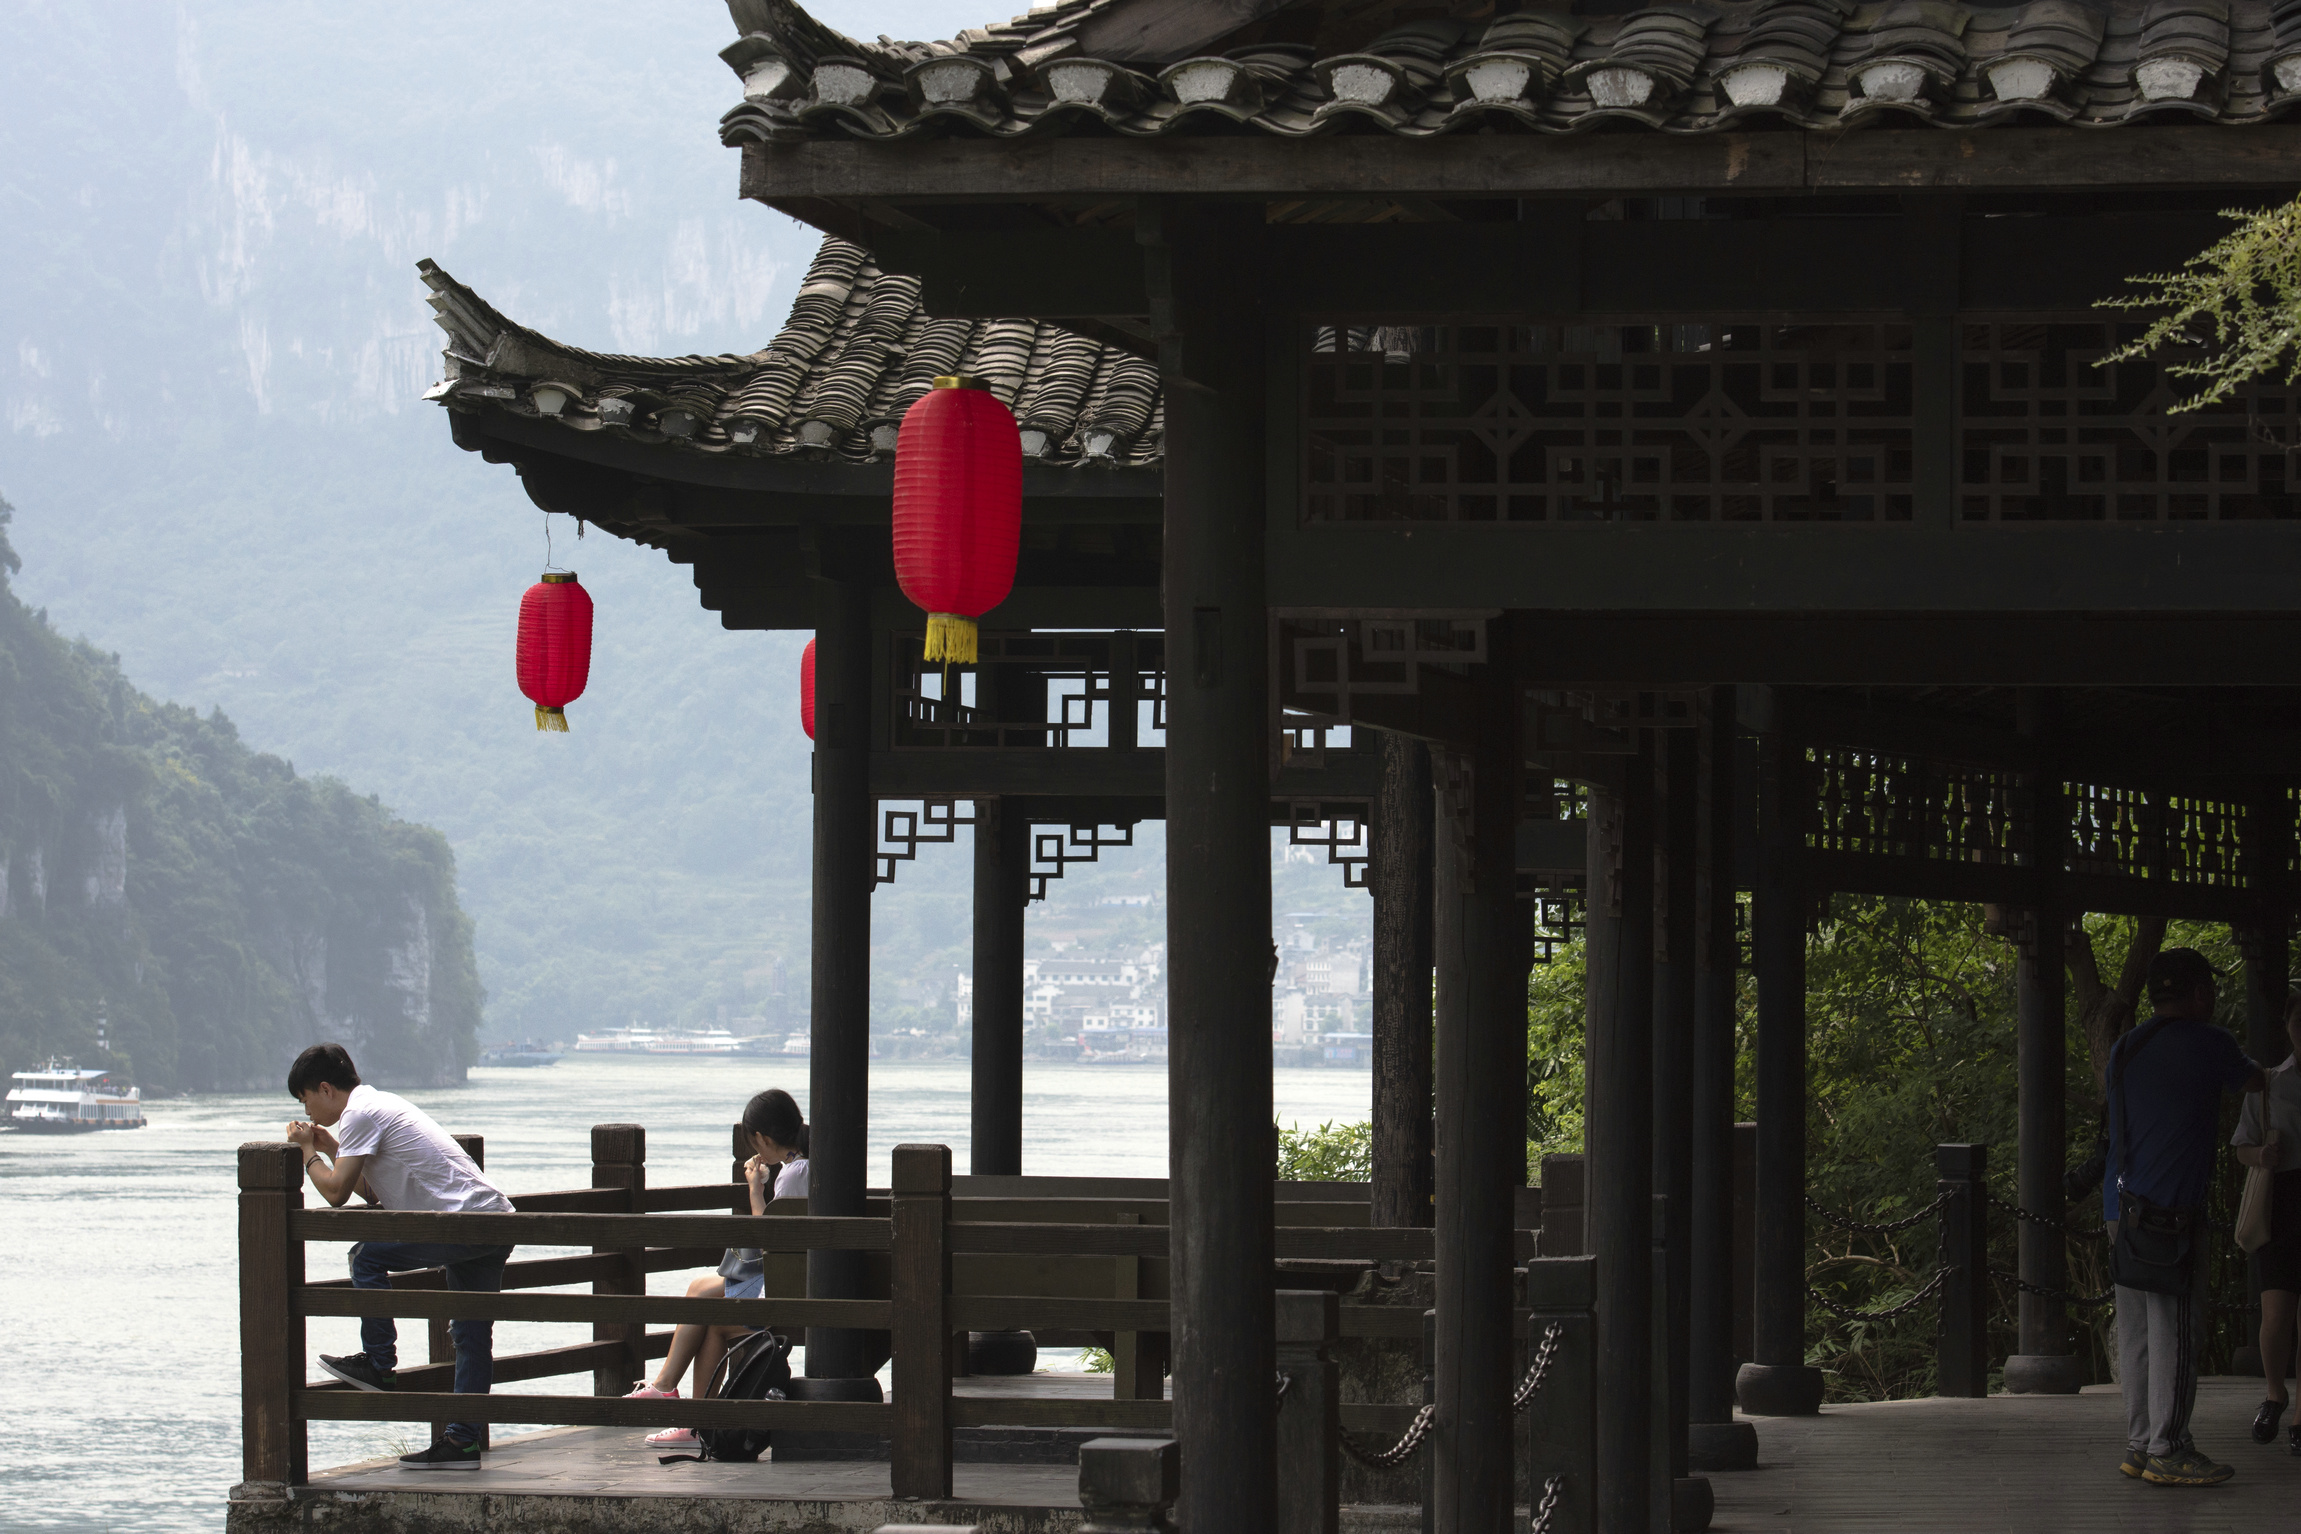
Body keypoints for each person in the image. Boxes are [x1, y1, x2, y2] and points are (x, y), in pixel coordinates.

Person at [284, 1043, 515, 1472]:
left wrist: (307, 1153)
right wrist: (333, 1148)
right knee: (470, 1333)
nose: (308, 1111)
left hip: (464, 1222)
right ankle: (462, 1444)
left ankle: (379, 1364)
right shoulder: (376, 1103)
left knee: (365, 1258)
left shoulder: (358, 1113)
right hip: (493, 1220)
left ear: (324, 1088)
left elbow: (334, 1195)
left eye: (306, 1100)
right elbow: (373, 1192)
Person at [2103, 948, 2268, 1487]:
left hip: (2120, 1209)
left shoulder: (2126, 1046)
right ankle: (2170, 1448)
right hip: (2168, 1217)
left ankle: (2140, 1443)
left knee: (2138, 1335)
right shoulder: (2211, 1042)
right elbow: (2257, 1082)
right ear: (2199, 994)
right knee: (2177, 1332)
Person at [624, 1088, 809, 1447]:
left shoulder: (792, 1174)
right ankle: (695, 1423)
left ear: (760, 1138)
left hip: (791, 1288)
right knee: (708, 1312)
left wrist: (755, 1191)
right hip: (798, 1278)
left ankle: (668, 1391)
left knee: (699, 1293)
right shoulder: (804, 1168)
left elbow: (772, 1241)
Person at [2233, 990, 2301, 1453]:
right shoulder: (2271, 1082)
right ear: (2288, 1025)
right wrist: (2262, 1154)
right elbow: (2242, 1147)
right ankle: (2275, 1392)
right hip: (2283, 1201)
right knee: (2276, 1314)